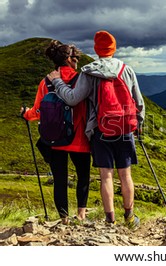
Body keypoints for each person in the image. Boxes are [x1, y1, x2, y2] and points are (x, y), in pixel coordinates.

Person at [47, 30, 145, 228]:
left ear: (96, 49)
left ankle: (110, 220)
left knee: (106, 176)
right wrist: (138, 125)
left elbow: (73, 98)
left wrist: (57, 81)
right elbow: (139, 102)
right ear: (113, 48)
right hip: (124, 128)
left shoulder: (88, 71)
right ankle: (130, 218)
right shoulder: (126, 69)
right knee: (126, 175)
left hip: (101, 129)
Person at [21, 40, 91, 224]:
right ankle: (81, 216)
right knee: (83, 176)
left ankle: (64, 219)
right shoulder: (80, 80)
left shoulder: (45, 82)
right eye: (75, 58)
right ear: (68, 59)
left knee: (60, 179)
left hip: (55, 139)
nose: (77, 62)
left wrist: (25, 114)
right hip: (79, 137)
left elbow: (37, 111)